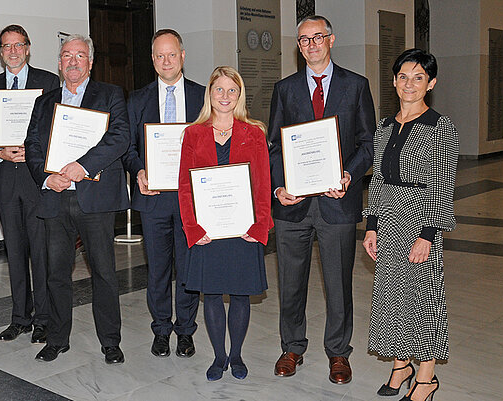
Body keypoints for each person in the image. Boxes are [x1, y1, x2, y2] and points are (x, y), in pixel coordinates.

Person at [267, 14, 375, 384]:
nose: (311, 44)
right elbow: (273, 147)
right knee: (291, 282)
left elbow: (368, 143)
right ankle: (292, 346)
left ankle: (338, 353)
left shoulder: (356, 86)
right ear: (297, 46)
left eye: (317, 37)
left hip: (337, 202)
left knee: (338, 283)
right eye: (303, 39)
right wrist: (280, 187)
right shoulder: (284, 89)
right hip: (293, 205)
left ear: (331, 40)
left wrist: (348, 174)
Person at [25, 34, 130, 365]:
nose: (73, 61)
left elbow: (119, 138)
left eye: (80, 56)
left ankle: (110, 341)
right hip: (56, 199)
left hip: (94, 199)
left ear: (90, 62)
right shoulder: (44, 102)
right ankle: (57, 338)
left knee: (104, 273)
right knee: (56, 273)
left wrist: (81, 166)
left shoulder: (111, 95)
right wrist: (47, 177)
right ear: (59, 63)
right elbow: (32, 144)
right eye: (66, 55)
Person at [362, 48, 456, 401]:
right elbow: (378, 180)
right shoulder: (385, 126)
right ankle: (402, 365)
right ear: (394, 82)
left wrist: (428, 234)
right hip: (387, 218)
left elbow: (443, 183)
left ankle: (427, 376)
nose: (410, 84)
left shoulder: (440, 127)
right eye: (403, 76)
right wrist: (371, 225)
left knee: (423, 297)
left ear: (431, 83)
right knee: (393, 296)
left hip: (420, 219)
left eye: (419, 77)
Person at [178, 66, 272, 381]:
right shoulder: (193, 133)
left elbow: (262, 183)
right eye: (219, 89)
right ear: (210, 93)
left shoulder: (254, 132)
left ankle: (237, 355)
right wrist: (194, 229)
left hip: (243, 229)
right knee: (213, 294)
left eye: (232, 90)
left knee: (241, 295)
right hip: (207, 230)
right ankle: (219, 357)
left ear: (239, 95)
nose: (225, 96)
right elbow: (185, 187)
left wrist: (259, 227)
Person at [122, 28, 205, 359]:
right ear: (152, 59)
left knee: (187, 268)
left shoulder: (203, 96)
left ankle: (185, 331)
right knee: (156, 269)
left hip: (190, 198)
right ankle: (161, 329)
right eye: (159, 55)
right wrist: (139, 171)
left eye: (172, 54)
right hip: (152, 196)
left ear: (183, 56)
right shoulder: (137, 99)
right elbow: (128, 148)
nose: (166, 61)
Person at [0, 24, 60, 343]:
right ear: (0, 52)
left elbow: (56, 127)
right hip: (7, 180)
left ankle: (42, 319)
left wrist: (35, 151)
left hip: (37, 179)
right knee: (14, 253)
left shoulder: (48, 82)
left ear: (28, 48)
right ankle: (19, 318)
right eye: (6, 46)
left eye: (18, 45)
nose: (12, 51)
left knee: (40, 253)